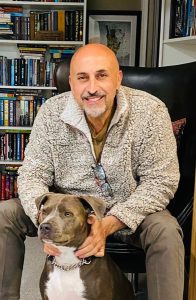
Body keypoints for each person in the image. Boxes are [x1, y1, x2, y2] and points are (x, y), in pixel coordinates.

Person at [0, 44, 184, 300]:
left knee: (166, 230)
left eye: (102, 75)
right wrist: (45, 219)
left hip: (129, 209)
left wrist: (110, 223)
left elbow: (161, 181)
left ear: (118, 78)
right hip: (68, 212)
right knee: (5, 213)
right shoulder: (51, 112)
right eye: (82, 77)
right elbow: (32, 174)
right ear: (71, 82)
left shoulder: (150, 112)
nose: (92, 88)